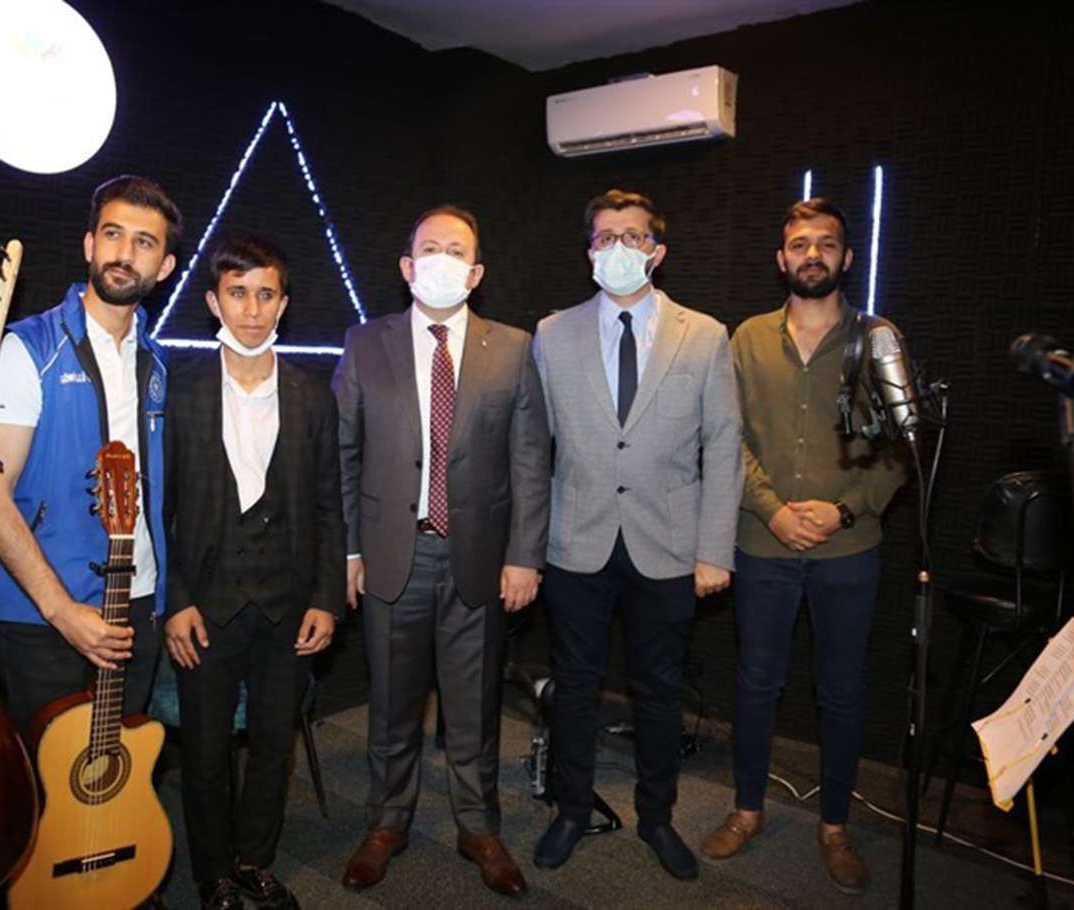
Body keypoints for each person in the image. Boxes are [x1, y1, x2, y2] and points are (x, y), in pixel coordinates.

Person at [334, 205, 550, 897]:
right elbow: (343, 454)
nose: (442, 261)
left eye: (457, 251)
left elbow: (529, 460)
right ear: (406, 266)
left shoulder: (513, 347)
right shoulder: (365, 343)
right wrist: (348, 551)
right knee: (391, 708)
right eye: (430, 249)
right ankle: (386, 823)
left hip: (479, 560)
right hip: (391, 557)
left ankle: (478, 827)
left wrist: (525, 555)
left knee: (474, 709)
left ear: (476, 272)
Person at [531, 188, 743, 880]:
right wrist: (526, 546)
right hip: (575, 540)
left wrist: (714, 549)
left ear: (658, 251)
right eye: (604, 237)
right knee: (574, 686)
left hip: (670, 545)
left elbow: (725, 443)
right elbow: (533, 447)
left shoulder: (705, 335)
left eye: (632, 236)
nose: (617, 247)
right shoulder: (551, 333)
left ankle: (657, 817)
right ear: (588, 251)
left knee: (659, 691)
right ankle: (570, 810)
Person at [699, 198, 906, 895]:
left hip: (850, 551)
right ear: (780, 258)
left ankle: (836, 828)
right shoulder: (746, 339)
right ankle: (747, 809)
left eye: (826, 243)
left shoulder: (878, 339)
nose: (812, 254)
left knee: (842, 692)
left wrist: (843, 509)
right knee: (756, 683)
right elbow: (727, 437)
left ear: (847, 258)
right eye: (798, 244)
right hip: (763, 543)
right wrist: (772, 510)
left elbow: (900, 447)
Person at [163, 236, 345, 910]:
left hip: (288, 605)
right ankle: (212, 873)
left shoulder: (312, 396)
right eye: (237, 293)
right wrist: (176, 599)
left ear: (283, 304)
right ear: (214, 301)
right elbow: (160, 508)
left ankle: (253, 861)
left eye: (265, 294)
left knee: (273, 744)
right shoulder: (179, 392)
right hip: (205, 607)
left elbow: (329, 507)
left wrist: (327, 598)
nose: (251, 308)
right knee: (206, 750)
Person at [0, 175, 180, 735]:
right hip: (38, 615)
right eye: (113, 234)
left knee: (119, 767)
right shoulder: (29, 347)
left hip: (136, 604)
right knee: (39, 779)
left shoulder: (158, 363)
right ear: (90, 244)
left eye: (144, 242)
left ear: (165, 266)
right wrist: (61, 610)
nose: (124, 252)